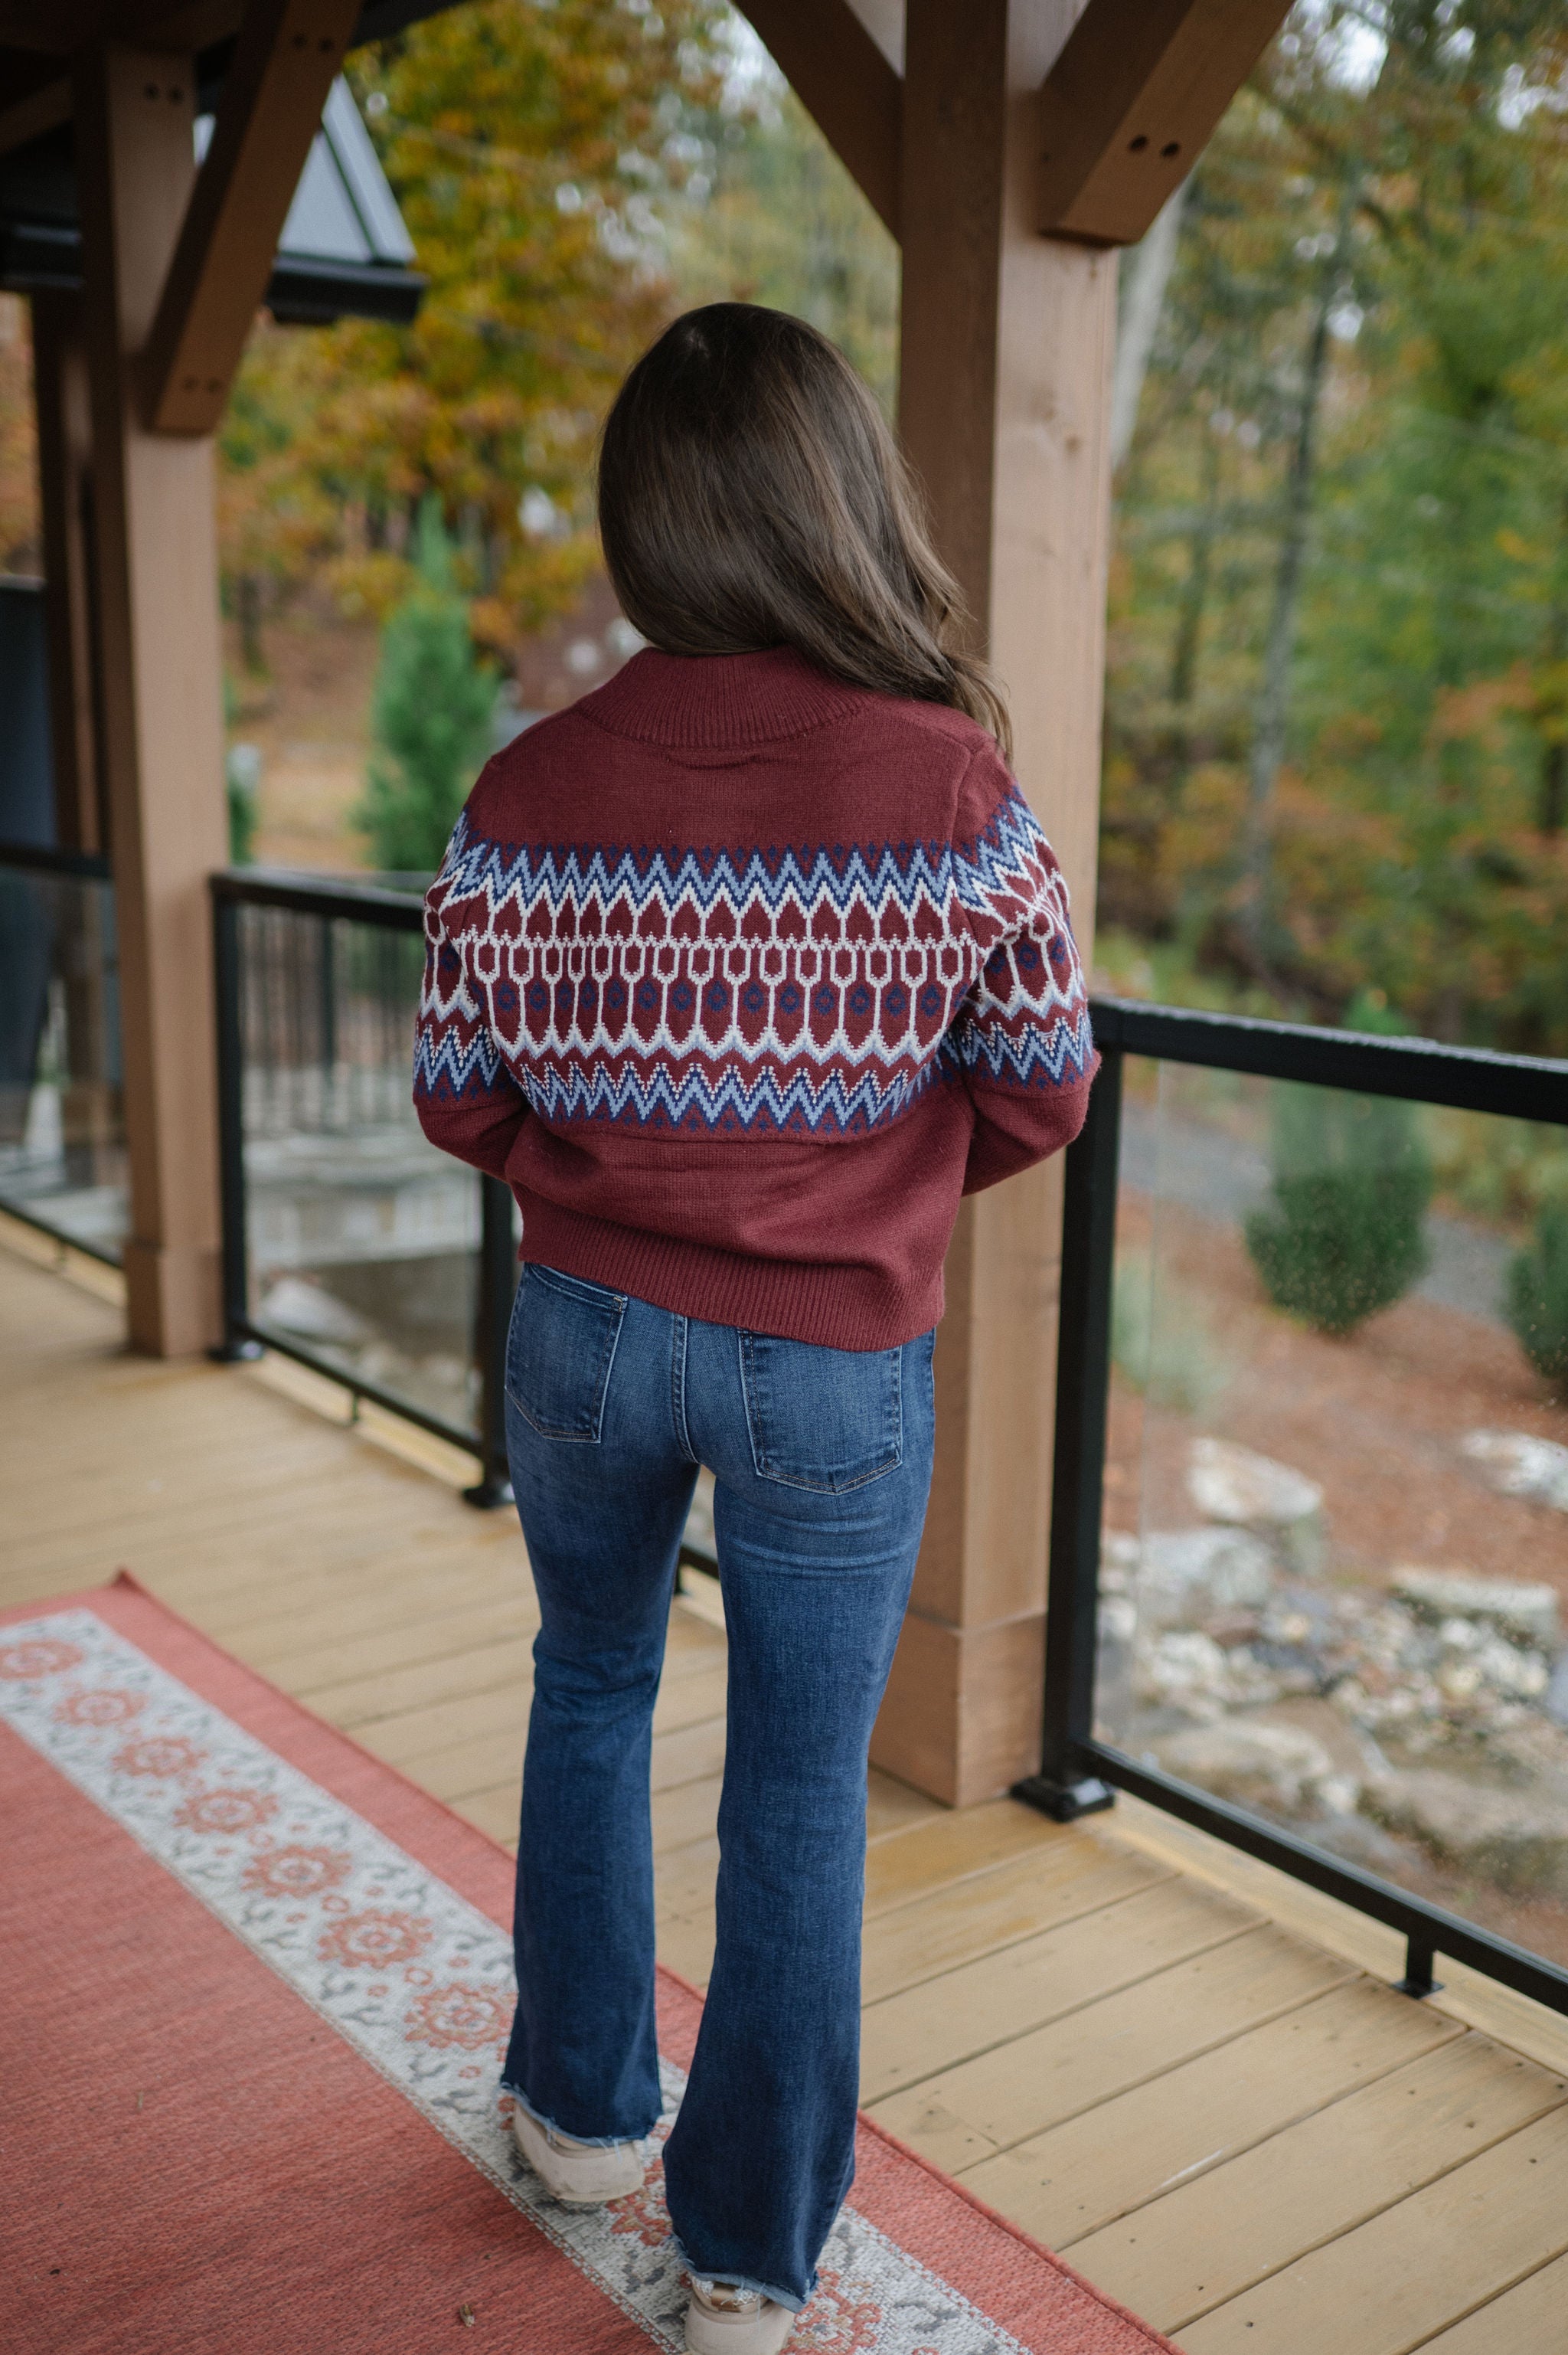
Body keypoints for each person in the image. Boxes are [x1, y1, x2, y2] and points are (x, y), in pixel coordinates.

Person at [413, 301, 1096, 2354]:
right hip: (834, 1369)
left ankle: (583, 2116)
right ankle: (741, 2258)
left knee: (592, 1690)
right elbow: (1047, 1073)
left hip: (590, 1330)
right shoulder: (951, 781)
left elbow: (460, 1088)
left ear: (648, 523)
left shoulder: (526, 786)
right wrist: (862, 1195)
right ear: (836, 508)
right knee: (799, 1795)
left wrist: (612, 1177)